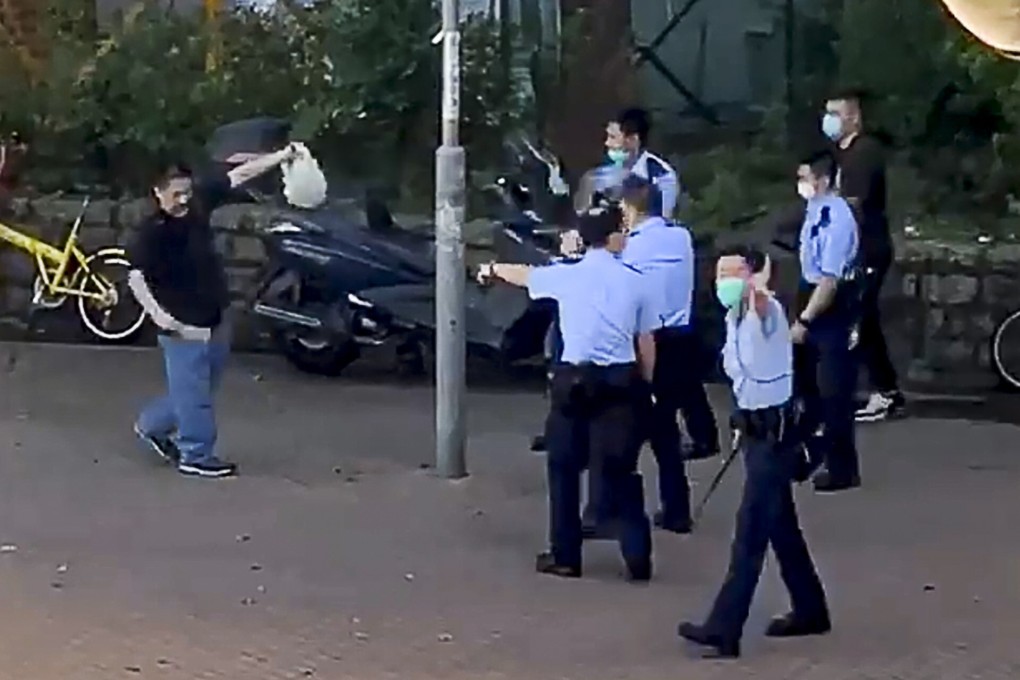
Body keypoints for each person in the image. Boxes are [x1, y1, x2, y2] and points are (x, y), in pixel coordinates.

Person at [477, 206, 656, 581]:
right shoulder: (637, 281)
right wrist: (645, 384)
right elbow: (645, 342)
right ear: (613, 236)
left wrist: (492, 269)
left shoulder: (564, 275)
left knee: (563, 468)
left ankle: (566, 556)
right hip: (619, 381)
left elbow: (524, 275)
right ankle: (637, 556)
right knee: (621, 469)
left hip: (573, 380)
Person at [678, 246, 830, 660]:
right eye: (720, 273)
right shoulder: (733, 318)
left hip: (774, 436)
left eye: (734, 272)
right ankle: (811, 608)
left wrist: (758, 290)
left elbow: (762, 307)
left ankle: (724, 628)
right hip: (756, 431)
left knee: (750, 534)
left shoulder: (767, 311)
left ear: (753, 274)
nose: (725, 281)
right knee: (780, 525)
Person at [129, 147, 297, 478]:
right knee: (195, 397)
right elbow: (136, 277)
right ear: (157, 192)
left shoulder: (199, 201)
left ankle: (152, 425)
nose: (183, 201)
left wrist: (282, 156)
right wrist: (159, 317)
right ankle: (196, 453)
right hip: (182, 324)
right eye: (175, 195)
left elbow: (240, 175)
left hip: (216, 315)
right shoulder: (151, 232)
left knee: (198, 390)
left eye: (187, 192)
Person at [600, 175, 718, 536]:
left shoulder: (632, 248)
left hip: (647, 341)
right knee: (665, 430)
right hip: (682, 338)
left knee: (625, 427)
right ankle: (676, 508)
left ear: (629, 208)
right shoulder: (680, 237)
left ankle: (611, 507)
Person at [822, 89, 905, 422]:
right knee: (859, 317)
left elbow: (853, 202)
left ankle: (885, 391)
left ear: (854, 117)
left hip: (867, 248)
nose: (829, 120)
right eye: (827, 113)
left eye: (836, 113)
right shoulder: (839, 154)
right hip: (852, 248)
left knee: (863, 318)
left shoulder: (864, 153)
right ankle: (879, 389)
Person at [792, 151, 861, 492]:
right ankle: (807, 452)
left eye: (804, 177)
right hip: (810, 291)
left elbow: (829, 281)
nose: (800, 184)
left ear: (822, 180)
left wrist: (804, 321)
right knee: (806, 386)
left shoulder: (837, 218)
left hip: (831, 302)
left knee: (834, 389)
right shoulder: (814, 209)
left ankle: (842, 468)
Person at [594, 107, 681, 218]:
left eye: (613, 137)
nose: (607, 143)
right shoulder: (604, 170)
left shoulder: (661, 175)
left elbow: (662, 219)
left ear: (633, 140)